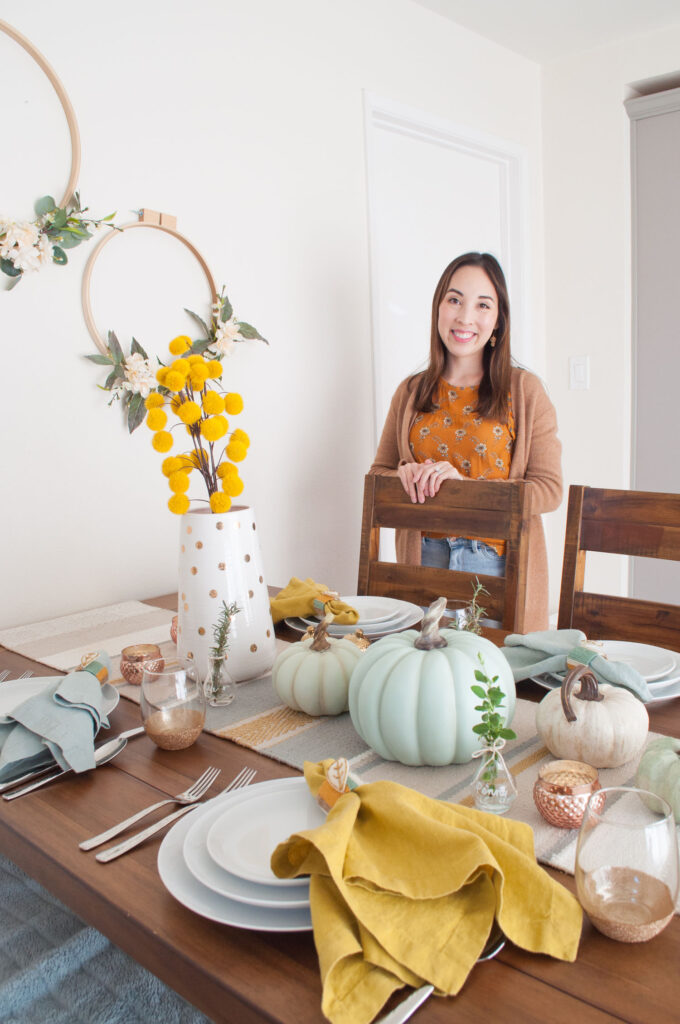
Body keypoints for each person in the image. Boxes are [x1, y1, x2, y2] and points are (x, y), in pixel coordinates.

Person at [369, 251, 562, 630]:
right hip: (421, 560)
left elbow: (550, 489)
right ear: (439, 307)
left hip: (494, 565)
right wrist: (403, 475)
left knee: (488, 684)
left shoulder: (525, 391)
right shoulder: (409, 392)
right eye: (454, 299)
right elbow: (378, 476)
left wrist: (467, 491)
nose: (465, 316)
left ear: (498, 321)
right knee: (426, 680)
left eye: (482, 305)